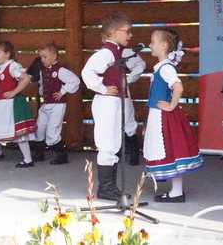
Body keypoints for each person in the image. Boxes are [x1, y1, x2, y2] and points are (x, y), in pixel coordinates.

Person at [144, 28, 203, 202]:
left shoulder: (166, 68)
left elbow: (178, 87)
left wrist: (171, 106)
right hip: (159, 115)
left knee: (172, 151)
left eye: (153, 42)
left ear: (164, 45)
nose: (150, 45)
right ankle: (176, 191)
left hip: (164, 117)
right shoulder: (162, 67)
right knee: (172, 152)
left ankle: (176, 192)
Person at [82, 12, 136, 200]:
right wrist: (103, 88)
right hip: (106, 103)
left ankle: (110, 186)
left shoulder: (116, 52)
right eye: (127, 31)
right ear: (113, 32)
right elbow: (87, 73)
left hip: (113, 102)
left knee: (113, 143)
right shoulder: (106, 53)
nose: (130, 35)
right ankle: (106, 188)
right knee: (107, 143)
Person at [0, 41, 37, 167]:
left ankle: (28, 159)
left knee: (18, 132)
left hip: (12, 104)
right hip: (1, 103)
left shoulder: (13, 66)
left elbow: (26, 78)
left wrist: (13, 92)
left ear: (7, 54)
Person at [30, 43, 80, 165]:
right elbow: (42, 85)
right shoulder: (43, 71)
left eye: (45, 57)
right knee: (40, 127)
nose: (42, 60)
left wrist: (62, 91)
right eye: (41, 57)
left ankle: (61, 155)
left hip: (57, 106)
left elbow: (75, 80)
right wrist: (42, 92)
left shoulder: (60, 70)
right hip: (46, 104)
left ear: (54, 56)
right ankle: (39, 152)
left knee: (53, 130)